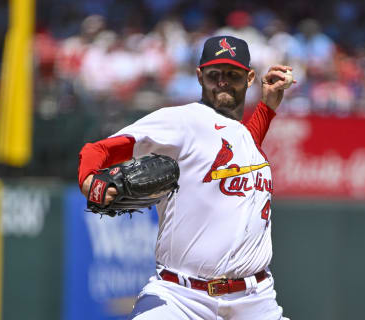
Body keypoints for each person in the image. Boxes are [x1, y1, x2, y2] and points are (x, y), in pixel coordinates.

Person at [78, 35, 293, 320]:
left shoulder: (245, 139)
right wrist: (89, 181)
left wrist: (267, 107)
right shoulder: (183, 121)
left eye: (233, 74)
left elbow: (238, 146)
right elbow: (99, 149)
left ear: (250, 77)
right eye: (214, 74)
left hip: (256, 301)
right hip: (182, 298)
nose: (223, 81)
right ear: (199, 76)